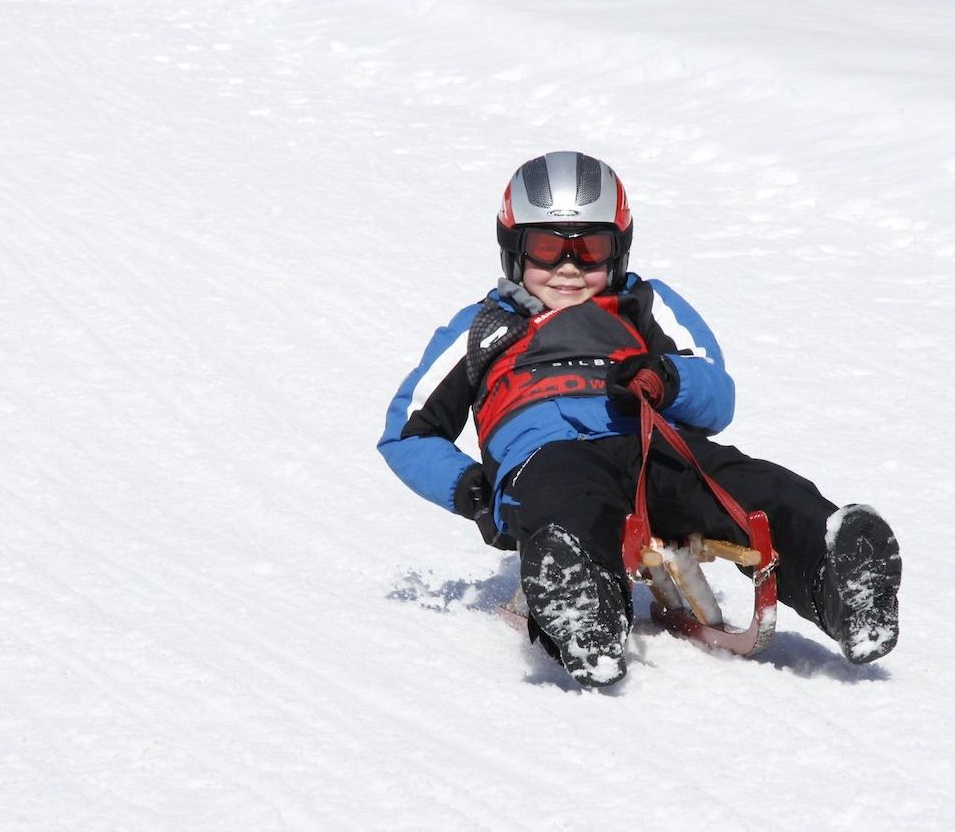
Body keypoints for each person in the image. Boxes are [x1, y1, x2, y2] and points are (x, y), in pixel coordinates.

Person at [378, 151, 901, 688]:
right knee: (566, 503)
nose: (567, 266)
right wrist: (475, 492)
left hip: (651, 443)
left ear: (619, 248)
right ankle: (585, 610)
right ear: (513, 248)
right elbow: (405, 433)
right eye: (546, 247)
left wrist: (666, 378)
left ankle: (841, 576)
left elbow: (717, 392)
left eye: (590, 249)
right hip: (546, 456)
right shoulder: (482, 327)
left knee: (747, 483)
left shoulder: (642, 305)